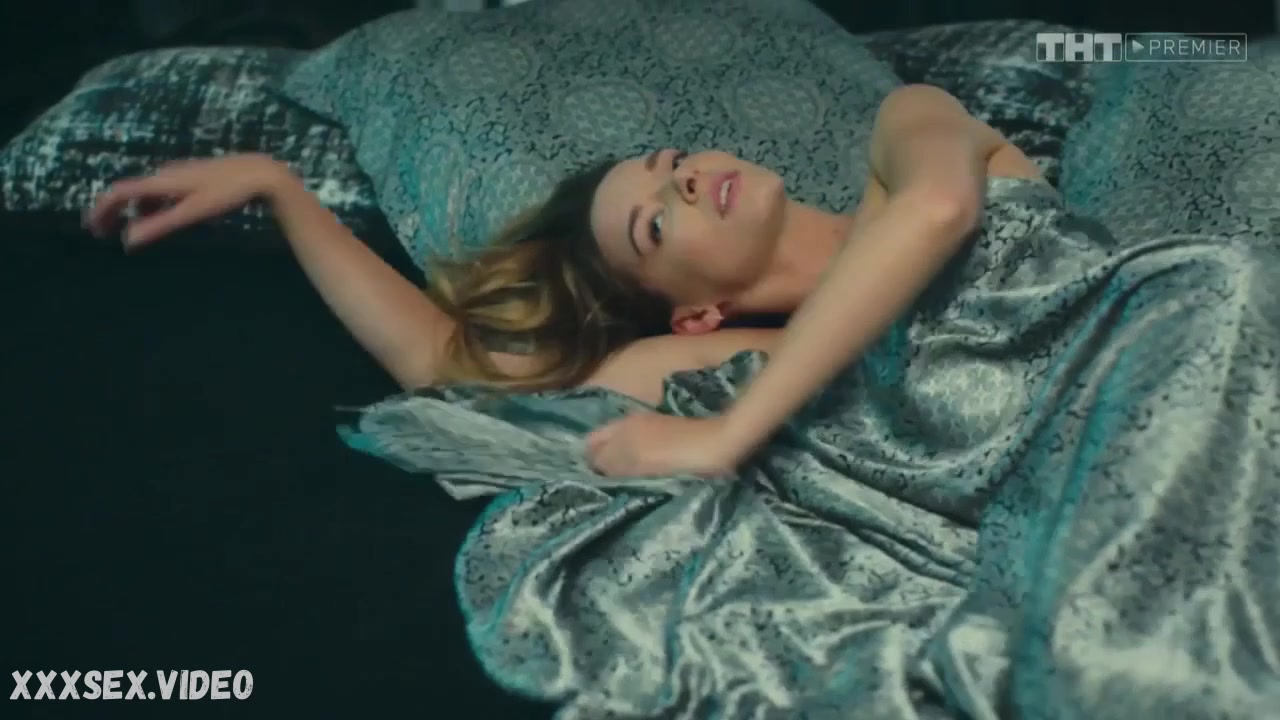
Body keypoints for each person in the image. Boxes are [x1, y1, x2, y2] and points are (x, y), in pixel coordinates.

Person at [85, 84, 1043, 480]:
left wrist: (725, 435)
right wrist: (280, 188)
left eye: (671, 164)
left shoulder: (908, 122)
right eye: (656, 223)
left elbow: (939, 212)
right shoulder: (756, 356)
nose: (681, 182)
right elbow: (448, 369)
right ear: (695, 314)